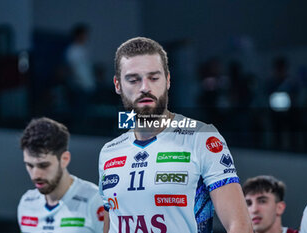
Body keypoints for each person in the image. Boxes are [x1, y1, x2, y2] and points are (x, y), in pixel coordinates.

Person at [98, 37, 253, 233]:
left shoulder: (202, 137)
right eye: (133, 79)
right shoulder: (109, 152)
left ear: (168, 80)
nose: (145, 87)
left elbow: (240, 226)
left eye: (154, 78)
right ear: (117, 84)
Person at [18, 117, 104, 233]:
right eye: (30, 165)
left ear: (64, 159)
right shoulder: (26, 203)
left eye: (43, 165)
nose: (35, 175)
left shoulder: (95, 200)